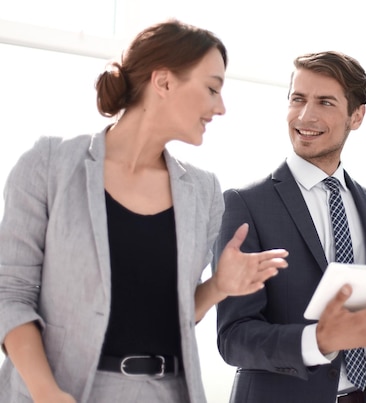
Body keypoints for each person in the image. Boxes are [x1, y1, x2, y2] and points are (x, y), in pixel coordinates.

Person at [0, 20, 288, 403]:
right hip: (62, 391)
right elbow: (10, 294)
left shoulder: (203, 192)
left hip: (165, 393)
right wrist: (46, 392)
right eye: (212, 88)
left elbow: (172, 317)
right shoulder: (49, 165)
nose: (220, 107)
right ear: (164, 82)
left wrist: (218, 287)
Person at [215, 51, 366, 403]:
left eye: (324, 102)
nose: (305, 115)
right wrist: (319, 340)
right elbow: (233, 338)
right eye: (298, 99)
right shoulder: (244, 204)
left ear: (356, 116)